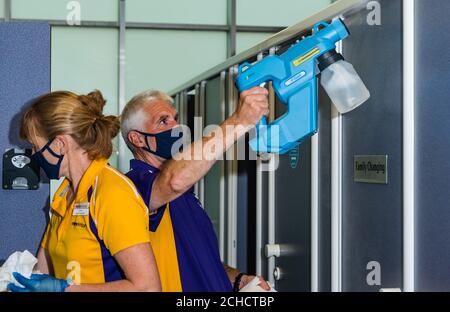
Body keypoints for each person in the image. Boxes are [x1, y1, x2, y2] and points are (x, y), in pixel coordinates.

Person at [8, 90, 161, 292]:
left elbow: (148, 288)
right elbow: (42, 269)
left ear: (60, 144)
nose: (34, 155)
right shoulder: (63, 194)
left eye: (36, 146)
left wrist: (64, 290)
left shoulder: (112, 193)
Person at [121, 88, 271, 292]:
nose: (177, 127)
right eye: (163, 121)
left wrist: (237, 279)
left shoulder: (184, 192)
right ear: (137, 139)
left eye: (175, 119)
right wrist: (240, 120)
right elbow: (174, 180)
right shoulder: (134, 186)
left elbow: (198, 262)